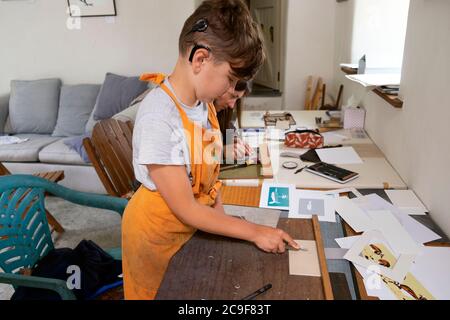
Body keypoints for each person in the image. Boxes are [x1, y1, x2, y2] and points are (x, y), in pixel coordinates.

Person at [122, 0, 299, 300]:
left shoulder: (202, 105)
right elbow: (187, 208)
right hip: (157, 237)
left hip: (190, 228)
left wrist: (226, 222)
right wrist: (254, 231)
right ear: (200, 60)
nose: (230, 91)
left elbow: (205, 169)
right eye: (230, 80)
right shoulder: (158, 116)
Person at [215, 80, 253, 162]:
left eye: (236, 99)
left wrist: (233, 138)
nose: (231, 106)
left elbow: (227, 125)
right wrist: (221, 152)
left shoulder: (221, 110)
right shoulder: (197, 110)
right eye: (232, 96)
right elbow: (193, 155)